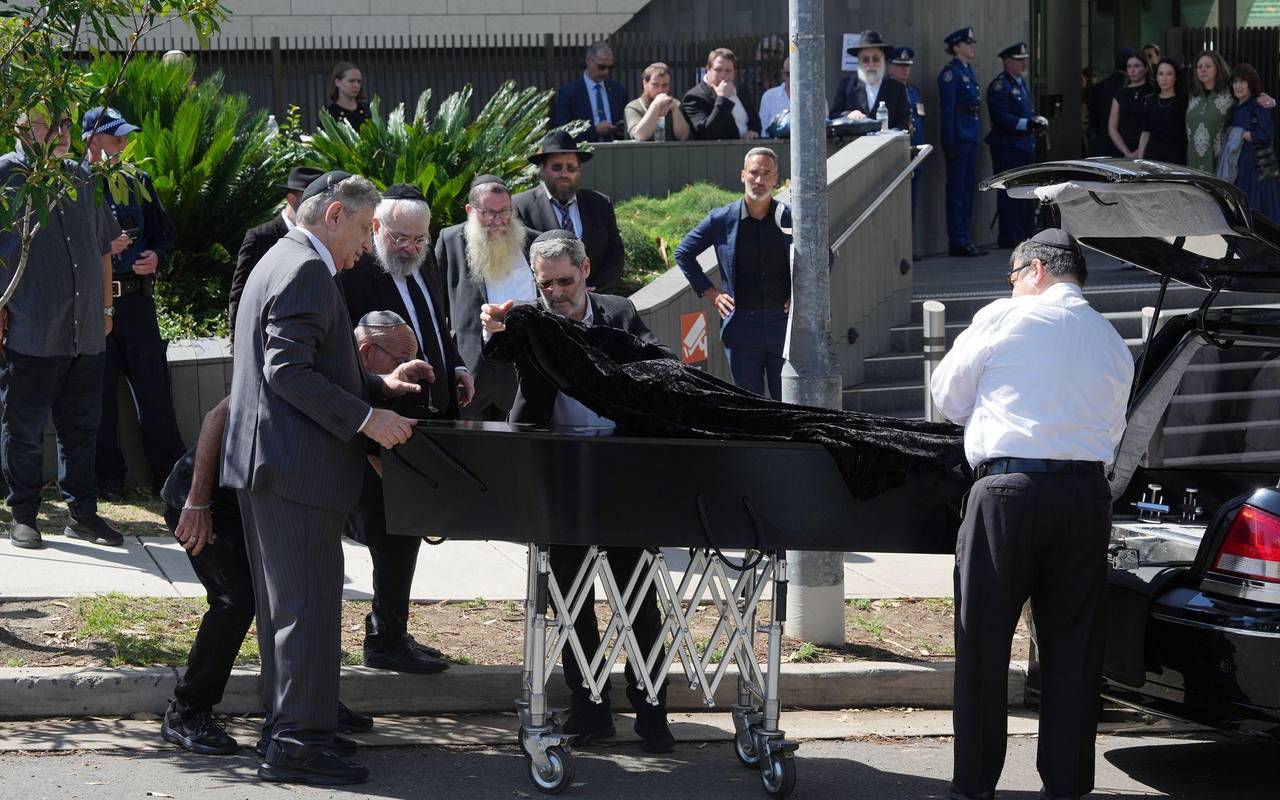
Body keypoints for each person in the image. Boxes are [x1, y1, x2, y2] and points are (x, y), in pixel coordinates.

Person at [222, 170, 435, 786]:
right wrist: (368, 417)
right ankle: (297, 742)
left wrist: (376, 387)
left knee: (291, 608)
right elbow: (286, 371)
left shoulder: (281, 258)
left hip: (277, 465)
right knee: (306, 608)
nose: (366, 248)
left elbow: (305, 366)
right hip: (295, 469)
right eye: (366, 231)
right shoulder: (305, 268)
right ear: (334, 214)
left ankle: (291, 728)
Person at [930, 229, 1133, 800]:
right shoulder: (1112, 340)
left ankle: (974, 786)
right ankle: (1067, 787)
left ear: (1036, 270)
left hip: (1008, 494)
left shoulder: (1004, 317)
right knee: (1073, 649)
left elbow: (946, 397)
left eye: (1013, 274)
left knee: (983, 645)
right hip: (1085, 497)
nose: (1011, 285)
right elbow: (1113, 432)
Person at [480, 230, 676, 755]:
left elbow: (657, 363)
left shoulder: (618, 310)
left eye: (566, 281)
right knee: (570, 600)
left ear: (585, 270)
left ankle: (652, 711)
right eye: (547, 285)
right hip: (561, 476)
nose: (558, 293)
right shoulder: (534, 319)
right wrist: (496, 332)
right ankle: (589, 710)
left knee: (638, 600)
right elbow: (498, 363)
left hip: (622, 475)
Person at [158, 397, 373, 756]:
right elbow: (215, 417)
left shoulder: (355, 385)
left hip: (264, 503)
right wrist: (197, 503)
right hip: (211, 504)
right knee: (235, 602)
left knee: (295, 595)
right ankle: (186, 710)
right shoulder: (290, 369)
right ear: (367, 351)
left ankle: (303, 709)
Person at [336, 185, 471, 673]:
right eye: (400, 237)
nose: (410, 247)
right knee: (390, 537)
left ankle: (392, 631)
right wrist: (379, 393)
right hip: (377, 423)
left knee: (408, 534)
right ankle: (384, 639)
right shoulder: (356, 274)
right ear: (376, 230)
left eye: (419, 238)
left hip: (423, 417)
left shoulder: (421, 265)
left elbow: (435, 324)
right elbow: (347, 356)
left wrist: (454, 366)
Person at [0, 108, 125, 550]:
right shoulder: (6, 175)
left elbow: (103, 246)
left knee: (82, 429)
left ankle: (83, 516)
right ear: (21, 129)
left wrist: (108, 310)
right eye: (47, 124)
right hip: (31, 327)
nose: (62, 133)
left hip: (86, 327)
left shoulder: (81, 176)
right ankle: (24, 514)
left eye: (68, 125)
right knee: (25, 427)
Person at [81, 106, 186, 500]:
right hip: (92, 305)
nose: (123, 144)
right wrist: (103, 249)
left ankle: (171, 478)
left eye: (126, 138)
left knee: (155, 393)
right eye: (115, 138)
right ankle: (108, 481)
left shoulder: (137, 179)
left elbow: (165, 235)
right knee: (99, 397)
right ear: (92, 140)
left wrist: (157, 258)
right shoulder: (74, 182)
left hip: (137, 305)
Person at [675, 147, 791, 399]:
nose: (759, 180)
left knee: (790, 404)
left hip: (782, 326)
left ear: (776, 179)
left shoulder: (790, 218)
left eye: (766, 174)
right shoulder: (721, 219)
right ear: (742, 175)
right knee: (749, 408)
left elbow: (822, 255)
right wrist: (712, 293)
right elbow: (683, 252)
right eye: (754, 173)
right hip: (741, 327)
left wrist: (801, 294)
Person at [437, 175, 538, 421]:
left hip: (520, 370)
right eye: (489, 213)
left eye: (505, 212)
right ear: (471, 211)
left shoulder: (533, 241)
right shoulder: (450, 240)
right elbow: (437, 307)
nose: (499, 221)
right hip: (472, 371)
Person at [512, 130, 625, 294]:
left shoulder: (600, 204)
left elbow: (615, 254)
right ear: (542, 170)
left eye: (571, 168)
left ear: (579, 170)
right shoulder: (521, 207)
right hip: (546, 307)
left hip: (595, 303)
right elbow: (519, 262)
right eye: (557, 167)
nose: (564, 173)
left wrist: (594, 290)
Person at [229, 166, 325, 337]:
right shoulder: (260, 237)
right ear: (291, 199)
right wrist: (237, 339)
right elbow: (240, 293)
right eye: (311, 202)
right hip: (265, 339)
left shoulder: (324, 239)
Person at [985, 43, 1048, 249]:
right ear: (1008, 62)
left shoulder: (1020, 83)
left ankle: (1021, 232)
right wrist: (1026, 123)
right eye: (1020, 60)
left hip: (1023, 145)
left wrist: (1035, 120)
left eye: (1024, 60)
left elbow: (1025, 111)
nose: (1024, 63)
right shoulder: (1000, 85)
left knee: (1024, 192)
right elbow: (1000, 116)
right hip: (1007, 146)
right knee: (1009, 193)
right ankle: (1009, 234)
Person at [938, 26, 987, 257]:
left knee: (967, 190)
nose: (972, 47)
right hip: (959, 136)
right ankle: (957, 240)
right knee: (957, 191)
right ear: (956, 47)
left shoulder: (967, 70)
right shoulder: (951, 73)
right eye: (967, 43)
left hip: (970, 134)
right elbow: (947, 110)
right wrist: (948, 141)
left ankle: (965, 237)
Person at [1225, 64, 1280, 222]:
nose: (1238, 86)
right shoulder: (1237, 108)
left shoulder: (1258, 104)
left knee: (1262, 217)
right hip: (1242, 170)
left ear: (1251, 83)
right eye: (1235, 82)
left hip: (1258, 173)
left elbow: (1267, 134)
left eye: (1243, 81)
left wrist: (1249, 135)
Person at [830, 30, 911, 131]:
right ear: (859, 61)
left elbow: (904, 124)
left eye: (876, 59)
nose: (871, 65)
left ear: (883, 60)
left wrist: (889, 134)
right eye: (865, 60)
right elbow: (833, 116)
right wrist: (849, 115)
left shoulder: (897, 88)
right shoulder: (847, 85)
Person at [553, 41, 627, 143]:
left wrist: (620, 128)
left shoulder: (618, 90)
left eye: (610, 67)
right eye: (601, 67)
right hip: (584, 151)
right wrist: (595, 130)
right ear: (589, 61)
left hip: (615, 149)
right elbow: (563, 128)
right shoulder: (569, 93)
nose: (606, 72)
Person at [682, 47, 762, 141]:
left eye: (728, 71)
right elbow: (706, 134)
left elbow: (755, 119)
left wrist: (753, 131)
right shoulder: (694, 97)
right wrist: (723, 99)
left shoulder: (741, 89)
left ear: (734, 73)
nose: (723, 75)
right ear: (708, 69)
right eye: (718, 70)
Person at [889, 45, 926, 241]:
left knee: (911, 203)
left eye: (907, 66)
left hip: (915, 154)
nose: (905, 70)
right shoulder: (888, 91)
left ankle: (909, 244)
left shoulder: (913, 91)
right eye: (900, 65)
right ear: (890, 68)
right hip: (896, 156)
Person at [1186, 50, 1236, 173]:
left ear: (1218, 68)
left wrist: (1267, 99)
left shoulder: (1231, 93)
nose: (1203, 70)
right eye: (1199, 67)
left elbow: (1250, 98)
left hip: (1222, 160)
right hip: (1194, 162)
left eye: (1208, 66)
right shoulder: (1193, 96)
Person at [624, 62, 691, 142]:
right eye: (655, 85)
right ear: (645, 83)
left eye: (665, 85)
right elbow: (640, 135)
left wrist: (675, 109)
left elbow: (683, 136)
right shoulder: (633, 107)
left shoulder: (675, 104)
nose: (661, 90)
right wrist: (656, 105)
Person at [1137, 58, 1187, 164]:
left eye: (1169, 74)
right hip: (1152, 156)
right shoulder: (1150, 100)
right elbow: (1145, 132)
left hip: (1176, 156)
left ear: (1175, 77)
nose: (1164, 78)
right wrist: (1140, 161)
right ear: (1156, 77)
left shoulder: (1184, 100)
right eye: (1160, 74)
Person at [1087, 48, 1133, 157]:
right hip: (1127, 146)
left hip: (1102, 144)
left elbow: (1094, 120)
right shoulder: (1132, 89)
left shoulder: (1098, 88)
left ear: (1113, 63)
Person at [1107, 52, 1153, 158]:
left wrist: (1138, 152)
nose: (1132, 71)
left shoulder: (1153, 92)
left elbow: (1156, 126)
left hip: (1147, 148)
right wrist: (1126, 152)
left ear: (1146, 68)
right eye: (1129, 67)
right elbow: (1112, 127)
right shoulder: (1121, 93)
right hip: (1122, 149)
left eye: (1136, 66)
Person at [326, 62, 369, 130]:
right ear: (338, 82)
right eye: (351, 81)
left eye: (359, 82)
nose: (356, 85)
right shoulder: (329, 115)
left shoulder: (367, 110)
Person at [758, 57, 790, 136]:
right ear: (783, 74)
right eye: (789, 74)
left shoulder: (817, 99)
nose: (794, 78)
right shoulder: (768, 96)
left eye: (798, 73)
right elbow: (763, 130)